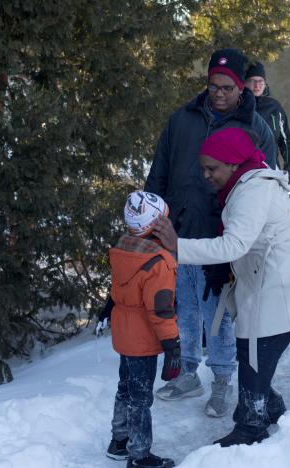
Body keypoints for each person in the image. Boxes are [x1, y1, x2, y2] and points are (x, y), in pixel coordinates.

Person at [152, 127, 290, 447]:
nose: (206, 175)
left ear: (232, 163)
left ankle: (251, 425)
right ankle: (268, 407)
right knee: (252, 351)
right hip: (274, 282)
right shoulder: (248, 182)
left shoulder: (252, 191)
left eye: (212, 168)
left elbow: (234, 245)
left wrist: (178, 247)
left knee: (256, 355)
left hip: (284, 286)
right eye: (203, 168)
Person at [144, 48, 277, 415]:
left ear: (241, 87)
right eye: (213, 86)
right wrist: (152, 215)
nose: (219, 93)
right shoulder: (182, 119)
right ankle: (188, 371)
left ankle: (221, 379)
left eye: (227, 87)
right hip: (178, 228)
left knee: (216, 312)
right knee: (183, 306)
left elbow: (268, 182)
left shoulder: (255, 126)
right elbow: (159, 171)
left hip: (222, 237)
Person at [105, 191, 179, 468]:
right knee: (140, 397)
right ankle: (139, 455)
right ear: (157, 224)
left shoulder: (123, 248)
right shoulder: (158, 263)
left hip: (123, 332)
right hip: (143, 339)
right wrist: (172, 344)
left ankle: (119, 440)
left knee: (125, 387)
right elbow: (161, 310)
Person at [245, 61, 290, 183]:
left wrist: (289, 170)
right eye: (253, 81)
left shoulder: (274, 108)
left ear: (265, 84)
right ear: (245, 82)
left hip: (270, 173)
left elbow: (286, 141)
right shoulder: (237, 107)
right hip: (243, 176)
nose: (257, 85)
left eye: (260, 82)